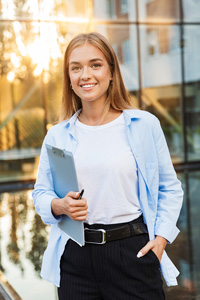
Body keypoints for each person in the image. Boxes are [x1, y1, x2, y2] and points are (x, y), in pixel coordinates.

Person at [32, 32, 183, 300]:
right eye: (76, 68)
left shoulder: (144, 125)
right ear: (69, 78)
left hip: (132, 252)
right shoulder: (57, 135)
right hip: (76, 257)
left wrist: (161, 239)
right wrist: (60, 205)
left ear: (111, 72)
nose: (85, 75)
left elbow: (169, 189)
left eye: (95, 64)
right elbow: (41, 194)